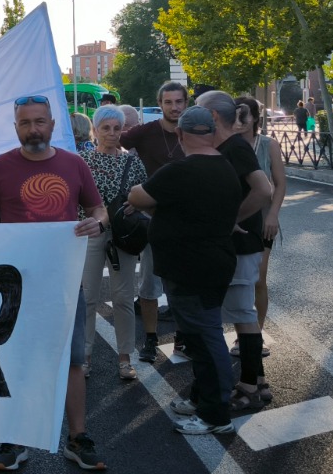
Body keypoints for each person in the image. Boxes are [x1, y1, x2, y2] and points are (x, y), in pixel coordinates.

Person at [0, 95, 108, 472]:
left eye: (40, 121)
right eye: (26, 123)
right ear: (16, 127)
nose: (34, 129)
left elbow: (98, 209)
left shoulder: (74, 164)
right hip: (13, 284)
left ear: (52, 124)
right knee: (15, 360)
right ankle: (15, 439)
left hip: (63, 280)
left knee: (72, 361)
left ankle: (77, 438)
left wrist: (99, 222)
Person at [127, 107, 243, 436]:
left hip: (191, 269)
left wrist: (146, 200)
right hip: (214, 262)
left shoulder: (179, 170)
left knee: (206, 340)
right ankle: (202, 398)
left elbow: (138, 195)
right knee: (200, 337)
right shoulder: (225, 167)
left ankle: (216, 415)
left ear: (180, 135)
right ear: (211, 132)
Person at [196, 90, 273, 411]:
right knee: (241, 314)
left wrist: (232, 220)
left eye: (199, 113)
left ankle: (251, 387)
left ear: (213, 117)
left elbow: (264, 189)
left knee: (243, 314)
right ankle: (254, 381)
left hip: (242, 243)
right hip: (236, 244)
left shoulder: (235, 147)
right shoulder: (227, 146)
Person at [121, 81, 190, 364]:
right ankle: (149, 339)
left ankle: (182, 338)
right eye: (168, 102)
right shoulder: (145, 132)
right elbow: (112, 139)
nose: (174, 107)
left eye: (179, 102)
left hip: (187, 221)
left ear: (187, 103)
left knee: (183, 284)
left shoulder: (197, 132)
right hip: (152, 219)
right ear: (159, 104)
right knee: (149, 284)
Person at [80, 105, 146, 381]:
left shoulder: (132, 162)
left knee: (123, 298)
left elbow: (146, 195)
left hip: (122, 235)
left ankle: (125, 357)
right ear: (95, 130)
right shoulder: (82, 161)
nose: (111, 133)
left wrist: (136, 205)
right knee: (88, 298)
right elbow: (73, 195)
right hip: (91, 233)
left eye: (117, 128)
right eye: (105, 128)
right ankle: (84, 356)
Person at [234, 97, 286, 348]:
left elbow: (280, 183)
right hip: (236, 217)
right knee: (237, 280)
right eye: (235, 115)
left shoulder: (268, 145)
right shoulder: (226, 145)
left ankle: (257, 334)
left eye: (244, 115)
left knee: (257, 278)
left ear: (255, 118)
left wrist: (274, 215)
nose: (240, 120)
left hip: (263, 219)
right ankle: (242, 332)